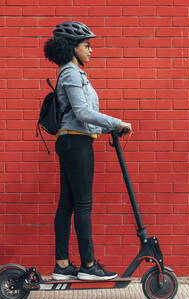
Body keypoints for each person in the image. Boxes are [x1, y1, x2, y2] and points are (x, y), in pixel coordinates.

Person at [43, 21, 132, 281]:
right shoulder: (71, 73)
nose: (91, 51)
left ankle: (62, 265)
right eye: (87, 45)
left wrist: (110, 130)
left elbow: (79, 117)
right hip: (76, 144)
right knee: (83, 204)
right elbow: (82, 113)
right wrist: (116, 122)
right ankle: (89, 266)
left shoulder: (72, 73)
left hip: (74, 140)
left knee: (68, 204)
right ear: (73, 47)